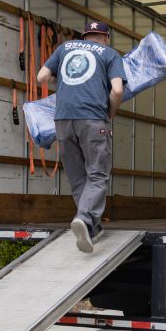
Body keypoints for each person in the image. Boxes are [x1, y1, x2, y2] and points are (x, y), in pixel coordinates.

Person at [37, 21, 126, 253]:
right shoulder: (110, 54)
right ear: (106, 37)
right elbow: (117, 90)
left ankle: (90, 227)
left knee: (78, 177)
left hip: (63, 120)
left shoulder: (65, 48)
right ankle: (85, 218)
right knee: (97, 174)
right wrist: (109, 115)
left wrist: (64, 84)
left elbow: (41, 77)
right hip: (93, 119)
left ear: (85, 36)